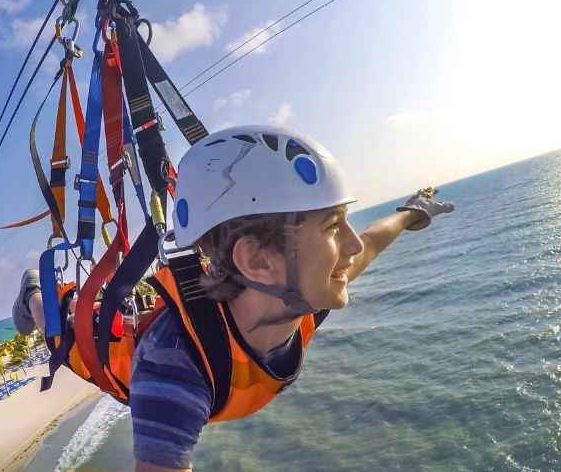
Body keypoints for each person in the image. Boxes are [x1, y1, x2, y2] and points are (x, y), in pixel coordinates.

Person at [130, 125, 454, 471]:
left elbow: (371, 242)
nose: (353, 245)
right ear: (257, 260)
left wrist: (410, 213)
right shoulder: (175, 367)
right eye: (332, 226)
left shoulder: (303, 294)